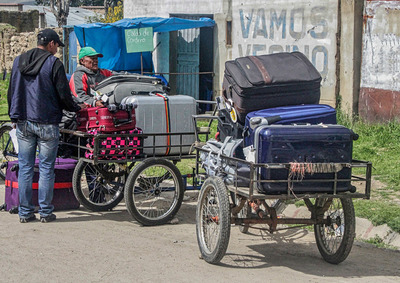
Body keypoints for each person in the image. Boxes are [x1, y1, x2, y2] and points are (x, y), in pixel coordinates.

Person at [8, 28, 85, 223]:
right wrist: (77, 107)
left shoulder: (18, 61)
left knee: (25, 167)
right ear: (51, 44)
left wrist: (14, 116)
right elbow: (63, 94)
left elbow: (11, 91)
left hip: (23, 122)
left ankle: (25, 213)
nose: (57, 49)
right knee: (46, 167)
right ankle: (45, 211)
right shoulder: (53, 63)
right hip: (47, 123)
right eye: (57, 45)